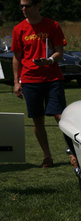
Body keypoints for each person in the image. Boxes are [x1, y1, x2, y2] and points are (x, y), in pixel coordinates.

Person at [12, 0, 67, 168]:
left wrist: (49, 60)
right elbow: (17, 57)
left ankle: (73, 152)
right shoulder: (18, 29)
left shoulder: (52, 25)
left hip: (52, 78)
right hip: (30, 80)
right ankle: (47, 156)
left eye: (27, 5)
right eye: (21, 5)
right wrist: (16, 82)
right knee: (37, 120)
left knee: (61, 117)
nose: (23, 9)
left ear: (37, 6)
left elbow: (60, 51)